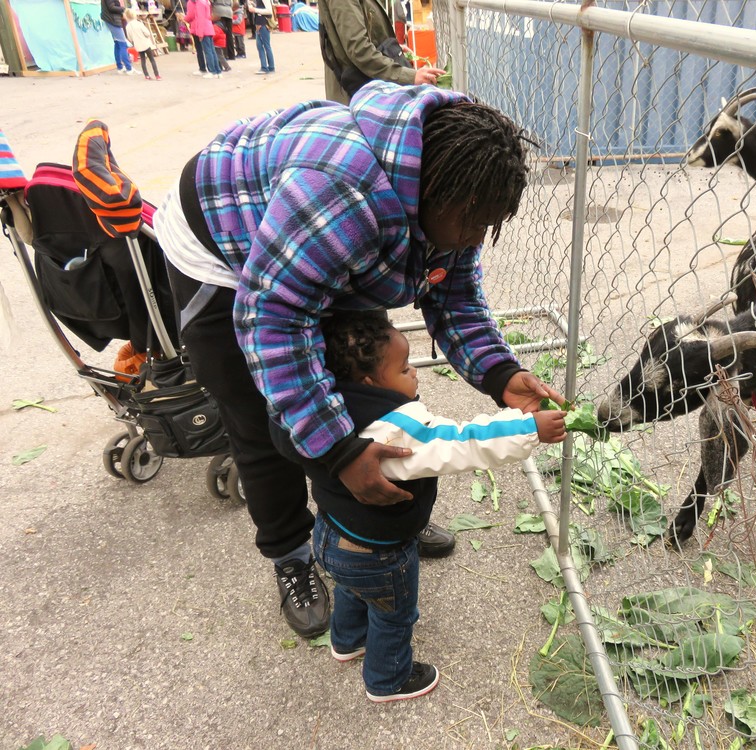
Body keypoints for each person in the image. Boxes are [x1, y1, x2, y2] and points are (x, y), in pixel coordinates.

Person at [152, 81, 563, 640]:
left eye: (487, 227)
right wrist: (337, 448)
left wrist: (501, 374)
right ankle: (293, 554)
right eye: (470, 224)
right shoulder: (341, 195)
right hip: (223, 244)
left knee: (365, 382)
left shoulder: (452, 193)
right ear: (433, 194)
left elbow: (455, 295)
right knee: (265, 417)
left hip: (303, 243)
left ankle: (370, 527)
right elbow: (273, 320)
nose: (474, 238)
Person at [271, 312, 565, 702]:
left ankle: (347, 642)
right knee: (394, 615)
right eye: (405, 368)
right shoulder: (395, 427)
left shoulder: (327, 413)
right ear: (371, 381)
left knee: (351, 592)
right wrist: (528, 428)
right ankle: (387, 679)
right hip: (380, 554)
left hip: (329, 536)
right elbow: (462, 442)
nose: (415, 374)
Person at [317, 0, 445, 104]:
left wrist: (391, 51)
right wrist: (409, 76)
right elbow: (359, 50)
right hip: (355, 94)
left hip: (366, 92)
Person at [124, 9, 162, 80]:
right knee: (152, 59)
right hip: (146, 44)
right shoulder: (139, 23)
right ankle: (157, 75)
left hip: (138, 45)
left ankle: (146, 75)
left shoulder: (127, 26)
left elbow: (129, 37)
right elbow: (147, 33)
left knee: (143, 60)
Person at [101, 0, 136, 75]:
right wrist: (124, 9)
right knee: (123, 44)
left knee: (117, 43)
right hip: (112, 20)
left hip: (112, 19)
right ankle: (129, 68)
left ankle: (120, 67)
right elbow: (111, 7)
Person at [250, 0, 275, 75]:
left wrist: (255, 10)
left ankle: (265, 67)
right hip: (261, 24)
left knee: (263, 46)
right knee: (263, 46)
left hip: (262, 24)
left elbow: (269, 11)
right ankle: (270, 66)